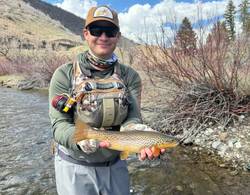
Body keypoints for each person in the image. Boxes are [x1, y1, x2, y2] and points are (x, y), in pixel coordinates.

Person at [49, 5, 165, 195]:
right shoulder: (64, 74)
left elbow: (133, 118)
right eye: (96, 30)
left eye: (110, 31)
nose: (103, 37)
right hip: (74, 168)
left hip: (116, 166)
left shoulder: (130, 76)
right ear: (86, 33)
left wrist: (136, 130)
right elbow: (59, 126)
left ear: (118, 36)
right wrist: (84, 140)